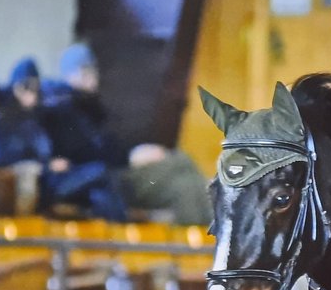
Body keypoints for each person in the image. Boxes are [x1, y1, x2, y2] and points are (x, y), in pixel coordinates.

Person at [43, 43, 212, 226]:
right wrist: (131, 156)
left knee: (187, 171)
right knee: (183, 184)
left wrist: (136, 152)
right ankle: (192, 249)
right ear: (68, 75)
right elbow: (87, 152)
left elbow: (107, 145)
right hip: (111, 179)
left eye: (91, 71)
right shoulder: (61, 111)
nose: (91, 78)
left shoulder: (90, 108)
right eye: (83, 72)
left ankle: (215, 243)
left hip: (118, 171)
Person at [0, 57, 126, 221]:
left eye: (35, 89)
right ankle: (117, 233)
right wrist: (46, 166)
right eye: (27, 87)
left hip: (46, 179)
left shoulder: (33, 116)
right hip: (30, 185)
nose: (32, 95)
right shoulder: (0, 118)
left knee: (100, 190)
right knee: (100, 173)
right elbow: (4, 161)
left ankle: (110, 238)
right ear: (16, 87)